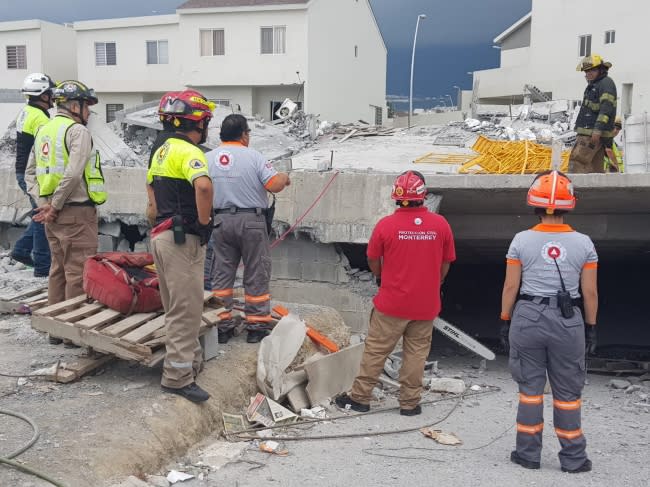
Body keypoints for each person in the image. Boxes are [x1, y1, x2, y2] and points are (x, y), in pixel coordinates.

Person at [500, 170, 598, 473]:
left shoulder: (520, 240)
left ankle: (528, 454)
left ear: (534, 203)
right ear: (570, 204)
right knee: (568, 394)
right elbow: (590, 291)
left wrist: (506, 319)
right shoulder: (584, 244)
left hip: (527, 316)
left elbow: (511, 287)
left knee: (530, 390)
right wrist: (591, 326)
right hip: (568, 321)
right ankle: (573, 459)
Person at [336, 171, 456, 416]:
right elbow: (446, 262)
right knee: (416, 353)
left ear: (396, 197)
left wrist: (382, 275)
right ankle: (410, 404)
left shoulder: (386, 226)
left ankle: (360, 398)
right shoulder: (440, 225)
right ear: (423, 196)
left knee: (376, 351)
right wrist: (436, 282)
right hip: (425, 305)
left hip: (391, 304)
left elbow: (372, 259)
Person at [147, 90, 215, 403]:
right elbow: (202, 185)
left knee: (178, 306)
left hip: (161, 235)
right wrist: (204, 223)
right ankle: (176, 378)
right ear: (198, 123)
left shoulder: (158, 150)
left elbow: (150, 200)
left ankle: (191, 363)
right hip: (181, 238)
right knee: (186, 311)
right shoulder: (189, 151)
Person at [207, 114, 290, 344]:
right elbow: (273, 184)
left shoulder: (208, 158)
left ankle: (222, 325)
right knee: (256, 272)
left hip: (221, 221)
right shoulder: (254, 157)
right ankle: (256, 326)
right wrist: (284, 177)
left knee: (222, 274)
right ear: (244, 135)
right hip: (251, 221)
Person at [26, 80, 106, 310]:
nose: (88, 112)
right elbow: (73, 173)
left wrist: (44, 204)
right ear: (74, 107)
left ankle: (55, 326)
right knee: (78, 272)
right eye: (86, 106)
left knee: (58, 269)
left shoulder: (44, 130)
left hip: (52, 215)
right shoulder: (77, 131)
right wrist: (55, 205)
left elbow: (29, 172)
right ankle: (73, 328)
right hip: (75, 212)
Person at [11, 73, 55, 277]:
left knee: (38, 213)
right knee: (42, 217)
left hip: (22, 171)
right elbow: (45, 148)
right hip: (32, 174)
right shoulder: (40, 117)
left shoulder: (26, 111)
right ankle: (43, 267)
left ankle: (20, 250)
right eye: (50, 92)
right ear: (42, 95)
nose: (53, 96)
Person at [568, 55, 617, 174]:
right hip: (589, 132)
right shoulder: (594, 85)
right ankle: (596, 192)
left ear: (601, 69)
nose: (588, 73)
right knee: (594, 168)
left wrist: (597, 130)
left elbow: (606, 108)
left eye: (592, 70)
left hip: (591, 133)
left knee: (577, 161)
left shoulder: (605, 83)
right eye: (586, 71)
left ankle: (575, 190)